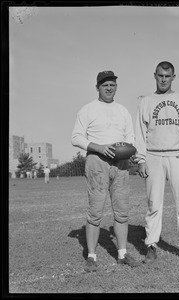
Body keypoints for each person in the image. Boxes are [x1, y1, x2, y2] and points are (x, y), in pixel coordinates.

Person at [71, 70, 139, 272]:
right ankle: (91, 256)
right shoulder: (88, 110)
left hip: (120, 164)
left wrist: (128, 149)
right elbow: (76, 137)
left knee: (122, 211)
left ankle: (122, 253)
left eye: (112, 84)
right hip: (97, 162)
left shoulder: (123, 110)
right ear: (97, 87)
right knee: (95, 212)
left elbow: (131, 137)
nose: (109, 88)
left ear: (116, 87)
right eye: (105, 85)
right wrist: (99, 147)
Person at [135, 61, 179, 265]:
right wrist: (141, 159)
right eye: (160, 75)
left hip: (178, 156)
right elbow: (140, 133)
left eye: (167, 76)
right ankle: (151, 246)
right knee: (153, 204)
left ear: (173, 77)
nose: (163, 79)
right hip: (154, 156)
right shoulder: (146, 101)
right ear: (154, 75)